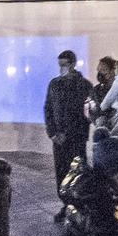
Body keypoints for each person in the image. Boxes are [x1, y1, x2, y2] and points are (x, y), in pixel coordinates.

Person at [44, 50, 97, 218]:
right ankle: (66, 204)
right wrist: (53, 133)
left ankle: (78, 205)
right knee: (61, 172)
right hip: (58, 139)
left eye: (64, 65)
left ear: (73, 64)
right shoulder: (54, 84)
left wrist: (70, 132)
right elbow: (48, 109)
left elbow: (87, 112)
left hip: (76, 137)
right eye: (60, 65)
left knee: (77, 172)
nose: (62, 68)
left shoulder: (84, 85)